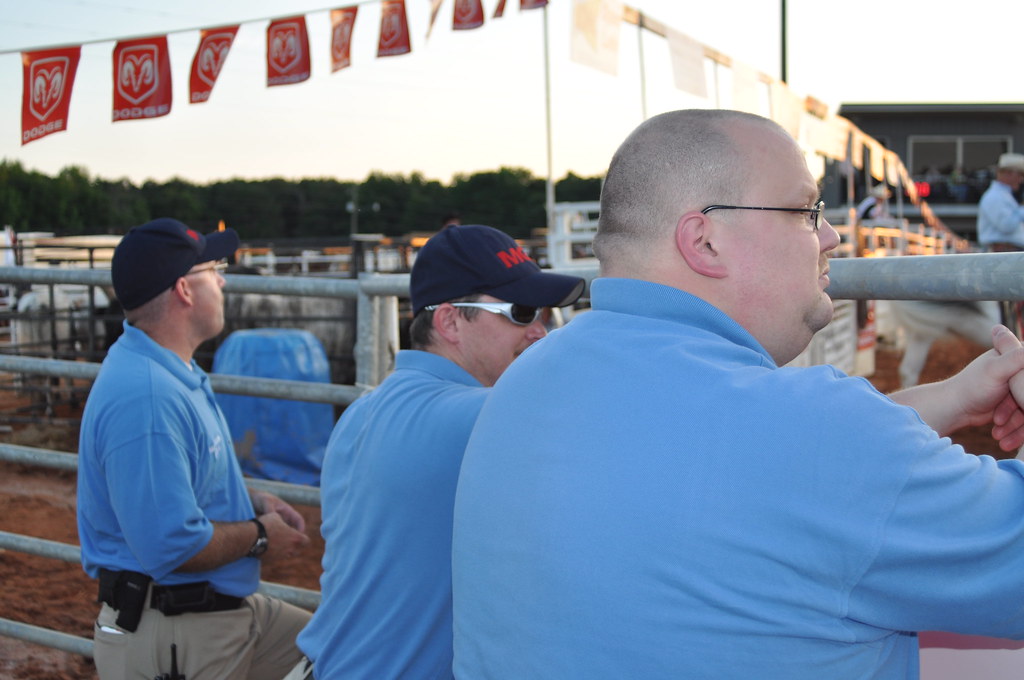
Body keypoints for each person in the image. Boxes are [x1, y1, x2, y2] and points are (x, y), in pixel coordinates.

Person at [451, 109, 1024, 679]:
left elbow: (740, 461)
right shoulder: (818, 435)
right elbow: (809, 458)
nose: (830, 236)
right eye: (806, 211)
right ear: (705, 242)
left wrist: (948, 399)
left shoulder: (525, 380)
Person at [292, 225, 585, 679]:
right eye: (522, 312)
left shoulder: (361, 412)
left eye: (545, 315)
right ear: (449, 322)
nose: (540, 333)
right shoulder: (483, 417)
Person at [77, 218, 312, 680]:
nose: (223, 281)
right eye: (213, 270)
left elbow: (184, 480)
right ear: (184, 290)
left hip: (207, 612)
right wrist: (260, 535)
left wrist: (251, 502)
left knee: (345, 651)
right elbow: (172, 546)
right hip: (176, 628)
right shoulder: (147, 397)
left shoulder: (171, 372)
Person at [977, 152, 1024, 251]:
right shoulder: (994, 196)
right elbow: (1007, 226)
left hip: (1007, 251)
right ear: (1007, 173)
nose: (1021, 180)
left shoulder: (1002, 196)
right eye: (1020, 174)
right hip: (1004, 251)